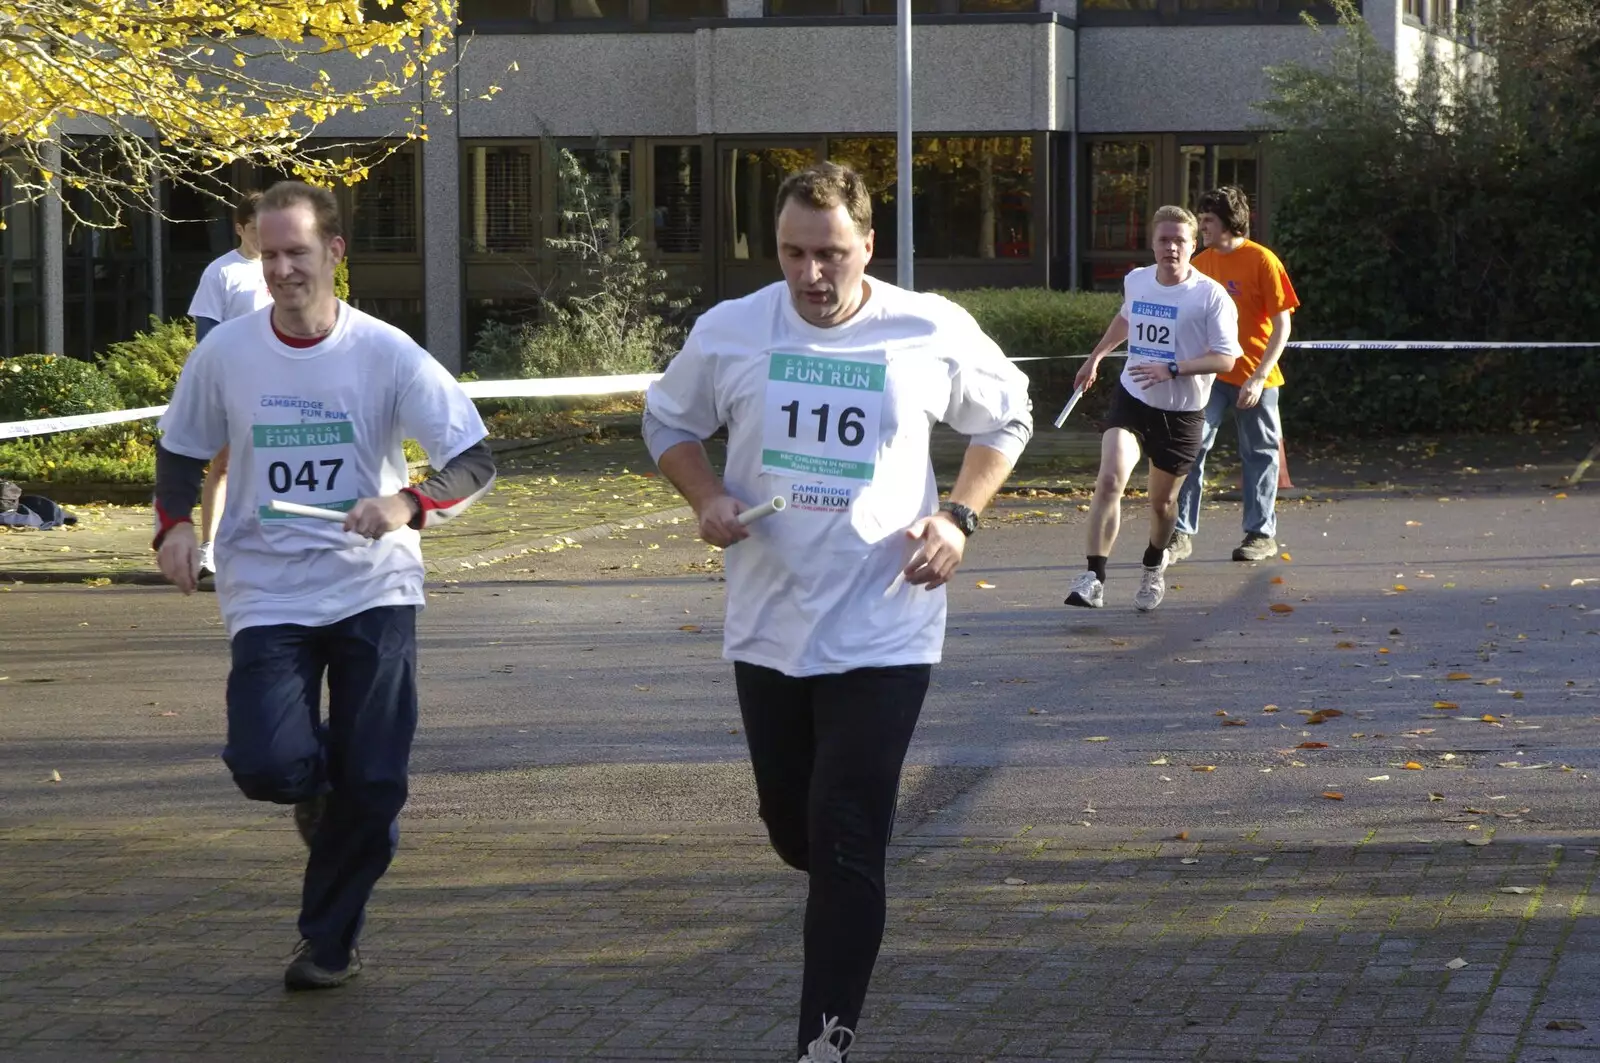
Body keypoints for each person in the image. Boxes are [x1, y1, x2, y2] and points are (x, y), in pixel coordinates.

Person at [643, 161, 1032, 1062]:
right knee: (797, 829)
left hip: (886, 620)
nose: (811, 276)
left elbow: (1005, 418)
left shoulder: (928, 326)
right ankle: (849, 890)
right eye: (792, 253)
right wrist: (703, 496)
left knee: (848, 830)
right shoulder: (731, 330)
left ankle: (825, 1042)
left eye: (831, 255)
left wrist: (959, 515)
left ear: (868, 246)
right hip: (770, 627)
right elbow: (666, 422)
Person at [152, 180, 496, 991]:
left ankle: (328, 941)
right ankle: (313, 791)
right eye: (268, 255)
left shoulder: (385, 351)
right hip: (267, 586)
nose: (281, 269)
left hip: (373, 584)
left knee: (375, 781)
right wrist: (175, 524)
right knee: (271, 764)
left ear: (335, 253)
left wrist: (408, 501)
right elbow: (180, 449)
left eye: (296, 252)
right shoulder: (227, 353)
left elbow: (474, 457)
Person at [1065, 205, 1241, 613]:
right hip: (1133, 397)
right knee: (1109, 480)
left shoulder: (1210, 296)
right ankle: (1094, 577)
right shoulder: (1137, 280)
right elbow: (1126, 318)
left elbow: (1226, 360)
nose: (1172, 248)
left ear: (1194, 246)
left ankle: (1153, 563)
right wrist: (1095, 358)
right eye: (1164, 240)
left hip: (1181, 413)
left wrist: (1173, 368)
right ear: (1153, 243)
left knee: (1161, 505)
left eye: (1180, 241)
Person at [1169, 185, 1301, 564]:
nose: (1202, 227)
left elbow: (1282, 327)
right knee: (1191, 446)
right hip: (1211, 377)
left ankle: (1260, 535)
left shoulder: (1263, 261)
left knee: (1259, 454)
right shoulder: (1202, 262)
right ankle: (1180, 533)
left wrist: (1258, 377)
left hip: (1255, 377)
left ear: (1228, 222)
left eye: (1207, 220)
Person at [187, 192, 275, 578]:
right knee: (223, 465)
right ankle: (209, 549)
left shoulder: (287, 266)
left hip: (281, 386)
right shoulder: (221, 271)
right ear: (240, 229)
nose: (263, 238)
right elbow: (206, 335)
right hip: (234, 384)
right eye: (256, 230)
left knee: (275, 465)